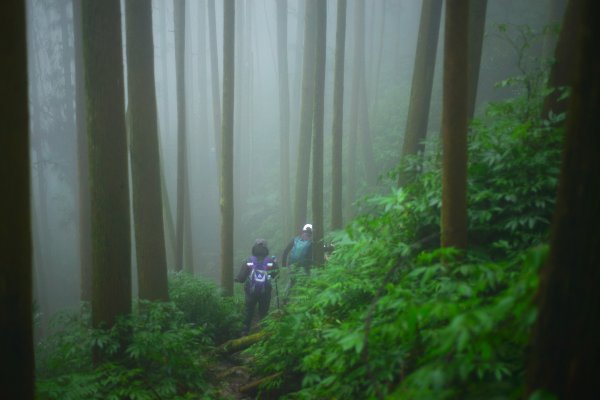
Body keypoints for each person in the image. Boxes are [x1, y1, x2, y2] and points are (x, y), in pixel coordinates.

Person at [235, 239, 278, 336]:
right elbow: (276, 275)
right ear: (266, 249)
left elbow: (241, 278)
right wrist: (276, 263)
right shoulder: (270, 261)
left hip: (251, 292)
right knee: (263, 313)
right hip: (265, 292)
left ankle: (244, 332)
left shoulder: (249, 260)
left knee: (248, 312)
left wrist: (237, 279)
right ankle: (264, 334)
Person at [281, 224, 313, 300]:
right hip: (304, 267)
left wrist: (284, 266)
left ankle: (285, 299)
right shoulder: (311, 242)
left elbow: (285, 251)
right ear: (311, 233)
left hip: (292, 265)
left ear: (303, 231)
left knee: (292, 282)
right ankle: (304, 300)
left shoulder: (295, 239)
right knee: (304, 283)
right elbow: (310, 257)